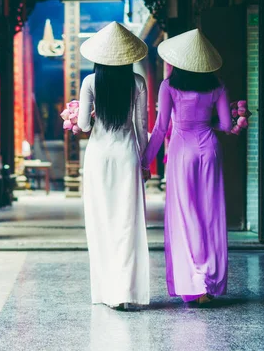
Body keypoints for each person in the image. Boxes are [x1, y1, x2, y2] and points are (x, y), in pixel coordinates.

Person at [141, 29, 232, 305]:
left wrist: (144, 161)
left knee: (185, 216)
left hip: (182, 153)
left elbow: (160, 128)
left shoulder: (169, 87)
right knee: (211, 216)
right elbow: (227, 126)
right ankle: (210, 280)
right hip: (210, 150)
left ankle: (194, 282)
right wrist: (209, 124)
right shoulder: (218, 86)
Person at [77, 22, 150, 310]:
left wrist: (92, 116)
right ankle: (125, 292)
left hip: (98, 157)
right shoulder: (137, 83)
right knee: (127, 224)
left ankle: (106, 292)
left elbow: (83, 125)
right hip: (126, 157)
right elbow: (141, 128)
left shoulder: (90, 83)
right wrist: (144, 161)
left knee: (101, 223)